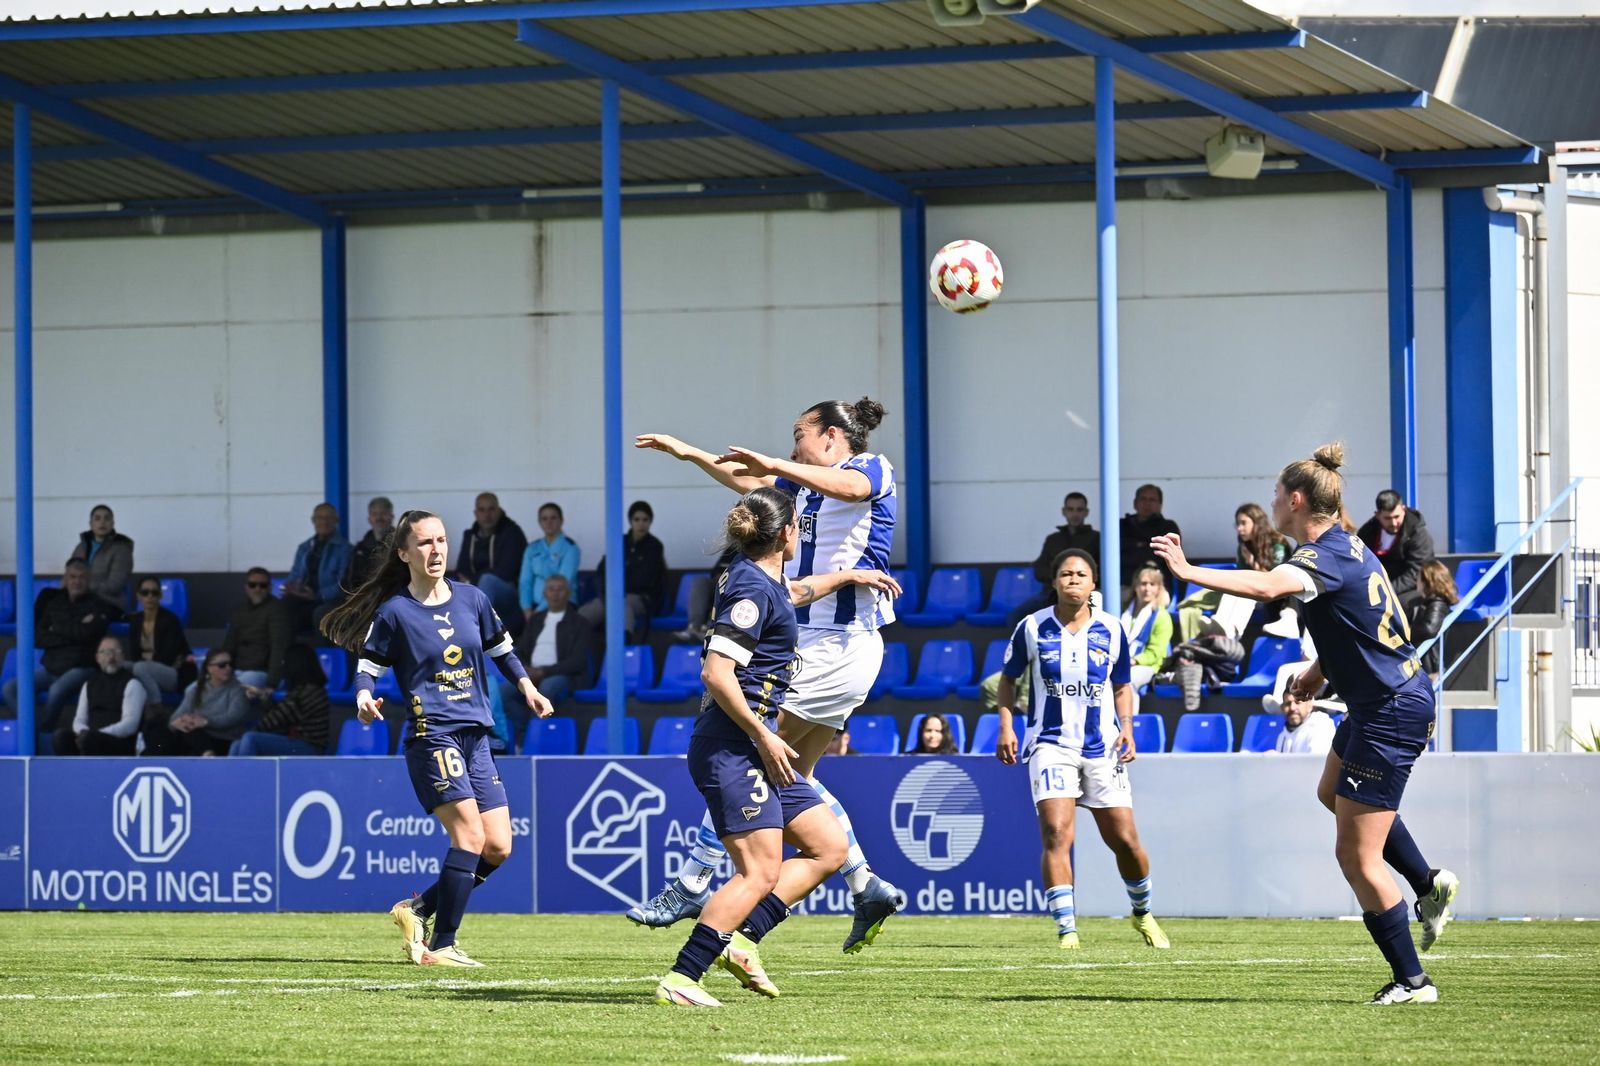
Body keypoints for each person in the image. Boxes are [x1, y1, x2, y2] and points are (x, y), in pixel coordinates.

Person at [1153, 442, 1459, 1005]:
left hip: (1389, 709)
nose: (1271, 501)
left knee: (1356, 856)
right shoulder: (1349, 546)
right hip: (1383, 700)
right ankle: (1428, 883)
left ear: (1295, 500)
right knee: (1331, 792)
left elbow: (1268, 587)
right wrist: (1318, 672)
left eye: (1276, 493)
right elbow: (1365, 623)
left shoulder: (1323, 555)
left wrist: (1187, 570)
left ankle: (1414, 982)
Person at [634, 397, 906, 952]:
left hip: (838, 643)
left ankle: (693, 879)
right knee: (790, 778)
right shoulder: (800, 486)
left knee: (746, 752)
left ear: (831, 436)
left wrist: (777, 466)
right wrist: (690, 454)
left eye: (799, 433)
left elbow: (849, 489)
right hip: (816, 641)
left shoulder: (869, 468)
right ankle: (864, 883)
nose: (791, 445)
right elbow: (751, 482)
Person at [321, 509, 553, 968]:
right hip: (433, 736)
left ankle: (417, 909)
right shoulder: (395, 612)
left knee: (498, 846)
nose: (436, 550)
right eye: (425, 543)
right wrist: (364, 698)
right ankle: (443, 944)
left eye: (441, 540)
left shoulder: (473, 598)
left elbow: (502, 650)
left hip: (476, 736)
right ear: (404, 554)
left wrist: (527, 687)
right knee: (468, 836)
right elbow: (367, 668)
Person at [656, 488, 854, 1007]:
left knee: (828, 847)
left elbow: (798, 592)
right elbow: (716, 673)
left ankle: (741, 942)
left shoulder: (763, 579)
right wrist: (765, 734)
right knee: (761, 871)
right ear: (787, 533)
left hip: (756, 747)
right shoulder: (750, 588)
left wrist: (849, 577)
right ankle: (683, 977)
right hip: (734, 747)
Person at [995, 549, 1171, 951]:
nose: (1073, 580)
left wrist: (1127, 729)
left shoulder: (1111, 629)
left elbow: (1122, 686)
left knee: (1125, 840)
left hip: (1102, 746)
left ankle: (1142, 913)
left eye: (1080, 574)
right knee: (1056, 832)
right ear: (1055, 582)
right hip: (1050, 744)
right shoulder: (1031, 627)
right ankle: (1067, 931)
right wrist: (1006, 726)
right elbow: (1008, 679)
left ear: (1093, 584)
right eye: (1065, 574)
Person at [3, 559, 122, 729]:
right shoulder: (55, 602)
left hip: (81, 668)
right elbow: (38, 637)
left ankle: (44, 730)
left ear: (89, 579)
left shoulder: (99, 605)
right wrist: (74, 631)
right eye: (72, 577)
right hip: (51, 668)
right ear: (65, 579)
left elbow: (87, 636)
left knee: (56, 690)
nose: (77, 581)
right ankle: (31, 731)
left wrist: (56, 629)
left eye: (82, 577)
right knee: (10, 689)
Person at [1176, 503, 1293, 642]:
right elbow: (1240, 577)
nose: (1239, 528)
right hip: (1255, 593)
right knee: (1235, 587)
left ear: (1257, 522)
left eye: (1243, 523)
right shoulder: (1243, 547)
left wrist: (1253, 563)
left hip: (1275, 598)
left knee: (1247, 592)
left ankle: (1233, 631)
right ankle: (1220, 624)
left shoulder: (1277, 543)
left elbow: (1275, 581)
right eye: (1237, 524)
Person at [499, 574, 593, 743]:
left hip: (561, 675)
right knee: (504, 692)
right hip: (531, 673)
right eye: (551, 589)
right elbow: (520, 650)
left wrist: (544, 672)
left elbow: (578, 661)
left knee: (547, 688)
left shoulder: (580, 623)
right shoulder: (536, 620)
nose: (555, 594)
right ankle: (523, 735)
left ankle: (535, 739)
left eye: (560, 589)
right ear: (544, 594)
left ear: (569, 593)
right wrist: (525, 670)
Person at [1010, 492, 1102, 627]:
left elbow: (1100, 572)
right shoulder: (1053, 539)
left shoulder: (1096, 539)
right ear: (1064, 511)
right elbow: (1039, 570)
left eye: (1079, 510)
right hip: (1050, 594)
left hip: (1082, 595)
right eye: (1070, 509)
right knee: (1016, 617)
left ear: (1086, 512)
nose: (1075, 514)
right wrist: (1061, 579)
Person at [580, 500, 668, 641]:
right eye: (637, 519)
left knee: (621, 605)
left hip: (642, 598)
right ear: (630, 521)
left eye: (645, 520)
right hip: (612, 595)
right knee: (588, 613)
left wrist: (617, 588)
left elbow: (645, 580)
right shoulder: (619, 542)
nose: (641, 524)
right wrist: (606, 592)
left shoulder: (655, 546)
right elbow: (602, 571)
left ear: (650, 522)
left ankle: (624, 644)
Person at [144, 647, 253, 756]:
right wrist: (180, 721)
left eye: (231, 664)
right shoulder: (197, 689)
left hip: (223, 739)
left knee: (192, 732)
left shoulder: (238, 689)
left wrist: (205, 722)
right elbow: (178, 715)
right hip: (194, 738)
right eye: (222, 665)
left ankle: (208, 754)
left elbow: (233, 718)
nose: (228, 668)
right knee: (157, 727)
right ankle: (147, 757)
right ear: (209, 668)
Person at [230, 645, 333, 756]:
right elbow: (282, 714)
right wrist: (262, 696)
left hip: (311, 747)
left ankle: (246, 768)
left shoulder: (308, 692)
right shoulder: (305, 689)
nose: (283, 665)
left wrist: (262, 698)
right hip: (296, 741)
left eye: (285, 662)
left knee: (250, 738)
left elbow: (275, 720)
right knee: (237, 743)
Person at [54, 636, 146, 756]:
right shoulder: (89, 685)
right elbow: (79, 719)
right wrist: (83, 732)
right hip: (89, 738)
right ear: (97, 658)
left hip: (118, 742)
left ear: (123, 657)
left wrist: (98, 734)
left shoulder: (133, 684)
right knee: (61, 737)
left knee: (89, 740)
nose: (111, 657)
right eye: (105, 652)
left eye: (116, 652)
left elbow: (130, 725)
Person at [454, 492, 528, 635]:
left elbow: (506, 571)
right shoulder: (470, 535)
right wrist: (472, 581)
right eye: (482, 510)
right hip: (477, 592)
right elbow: (461, 569)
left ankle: (476, 634)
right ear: (476, 513)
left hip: (509, 598)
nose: (487, 515)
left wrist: (473, 580)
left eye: (491, 509)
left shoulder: (512, 532)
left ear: (499, 511)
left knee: (487, 581)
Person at [1357, 490, 1437, 609]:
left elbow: (1417, 572)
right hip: (1377, 589)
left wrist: (1386, 591)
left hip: (1414, 589)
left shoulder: (1418, 534)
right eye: (1387, 518)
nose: (1394, 523)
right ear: (1377, 515)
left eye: (1397, 516)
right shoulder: (1367, 533)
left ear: (1403, 509)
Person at [282, 503, 353, 635]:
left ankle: (320, 649)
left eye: (328, 518)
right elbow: (295, 573)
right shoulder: (304, 547)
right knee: (282, 607)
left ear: (336, 521)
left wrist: (317, 595)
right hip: (303, 597)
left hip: (329, 600)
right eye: (319, 518)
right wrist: (292, 587)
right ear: (313, 521)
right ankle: (288, 648)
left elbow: (343, 583)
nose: (324, 522)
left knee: (320, 613)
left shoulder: (345, 549)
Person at [126, 576, 195, 706]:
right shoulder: (135, 620)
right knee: (120, 666)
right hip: (144, 668)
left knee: (139, 668)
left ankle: (155, 705)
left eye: (154, 593)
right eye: (145, 592)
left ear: (160, 596)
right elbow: (134, 654)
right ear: (138, 596)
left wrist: (143, 666)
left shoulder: (170, 620)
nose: (150, 596)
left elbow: (167, 657)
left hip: (172, 672)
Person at [223, 567, 292, 697]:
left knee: (230, 690)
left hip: (261, 673)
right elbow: (229, 643)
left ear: (270, 588)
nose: (257, 589)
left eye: (263, 585)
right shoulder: (240, 609)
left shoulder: (278, 610)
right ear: (246, 587)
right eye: (252, 585)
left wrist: (272, 683)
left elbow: (279, 649)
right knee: (196, 688)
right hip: (237, 670)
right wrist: (220, 668)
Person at [1120, 563, 1173, 714]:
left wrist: (1133, 661)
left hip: (1148, 666)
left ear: (1159, 589)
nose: (1147, 589)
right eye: (1143, 584)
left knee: (1127, 680)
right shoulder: (1125, 612)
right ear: (1135, 587)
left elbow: (1156, 653)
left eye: (1152, 584)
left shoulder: (1162, 616)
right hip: (1123, 663)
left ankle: (1129, 723)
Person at [519, 501, 582, 619]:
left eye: (553, 518)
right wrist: (526, 608)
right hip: (533, 606)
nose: (549, 522)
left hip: (562, 604)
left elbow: (563, 583)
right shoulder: (532, 548)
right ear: (539, 522)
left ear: (561, 521)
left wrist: (538, 612)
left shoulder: (570, 548)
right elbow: (525, 582)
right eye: (544, 519)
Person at [69, 504, 135, 605]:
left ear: (112, 523)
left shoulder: (122, 549)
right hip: (81, 600)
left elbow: (115, 585)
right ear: (91, 524)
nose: (102, 522)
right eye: (97, 519)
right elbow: (69, 575)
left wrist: (84, 589)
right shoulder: (81, 547)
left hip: (108, 603)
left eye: (107, 518)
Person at [1119, 484, 1181, 589]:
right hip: (1123, 585)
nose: (1147, 503)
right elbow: (1112, 554)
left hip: (1156, 587)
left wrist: (1132, 546)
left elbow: (1164, 557)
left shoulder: (1168, 527)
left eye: (1152, 500)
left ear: (1160, 505)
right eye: (1143, 499)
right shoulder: (1121, 525)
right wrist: (1143, 546)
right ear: (1135, 503)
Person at [1408, 560, 1459, 678]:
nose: (1416, 580)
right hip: (1421, 661)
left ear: (1426, 581)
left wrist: (1406, 631)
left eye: (1418, 577)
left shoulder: (1437, 604)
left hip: (1430, 665)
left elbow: (1429, 629)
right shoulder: (1423, 603)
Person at [1271, 687, 1337, 756]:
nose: (1292, 708)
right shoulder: (1282, 736)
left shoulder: (1322, 726)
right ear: (1282, 708)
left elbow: (1316, 761)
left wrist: (1280, 759)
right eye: (1288, 703)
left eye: (1297, 702)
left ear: (1309, 705)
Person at [349, 496, 396, 587]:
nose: (379, 518)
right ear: (369, 518)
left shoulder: (401, 544)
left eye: (383, 513)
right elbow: (352, 581)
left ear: (391, 516)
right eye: (375, 514)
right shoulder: (359, 549)